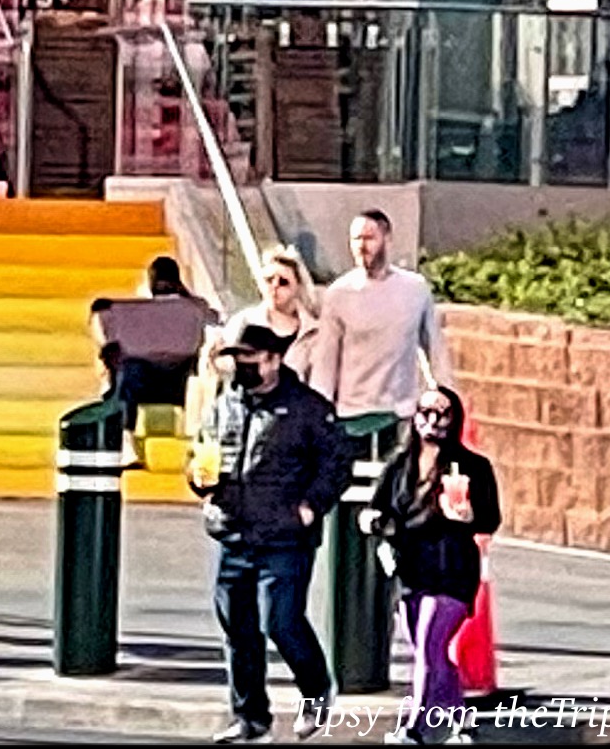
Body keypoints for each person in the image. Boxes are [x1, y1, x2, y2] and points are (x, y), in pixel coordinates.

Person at [190, 321, 353, 744]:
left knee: (281, 621)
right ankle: (250, 718)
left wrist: (310, 507)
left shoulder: (307, 408)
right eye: (237, 360)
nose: (242, 368)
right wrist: (198, 478)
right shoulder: (225, 404)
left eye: (251, 360)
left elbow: (336, 462)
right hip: (233, 531)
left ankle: (316, 690)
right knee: (238, 629)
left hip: (284, 535)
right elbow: (201, 451)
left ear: (274, 360)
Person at [362, 386, 502, 745]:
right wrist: (373, 521)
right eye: (426, 412)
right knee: (433, 653)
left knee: (427, 647)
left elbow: (489, 519)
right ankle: (460, 726)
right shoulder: (399, 464)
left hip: (451, 568)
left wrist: (468, 514)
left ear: (454, 419)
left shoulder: (472, 466)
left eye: (443, 413)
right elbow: (377, 509)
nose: (433, 420)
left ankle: (416, 729)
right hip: (412, 569)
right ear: (415, 416)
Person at [309, 210, 456, 425]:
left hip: (402, 412)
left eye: (369, 238)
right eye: (356, 239)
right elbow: (325, 361)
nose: (361, 246)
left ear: (387, 239)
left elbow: (435, 349)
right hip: (352, 413)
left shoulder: (415, 289)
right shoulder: (338, 294)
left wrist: (447, 394)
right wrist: (317, 412)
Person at [93, 255, 220, 419]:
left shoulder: (193, 308)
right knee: (125, 365)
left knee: (129, 370)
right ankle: (125, 431)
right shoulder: (190, 307)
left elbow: (215, 320)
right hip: (154, 378)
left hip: (173, 377)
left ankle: (125, 428)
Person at [220, 249, 323, 381]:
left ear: (297, 287)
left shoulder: (313, 332)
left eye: (283, 282)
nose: (275, 286)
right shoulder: (243, 321)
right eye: (269, 280)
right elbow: (224, 367)